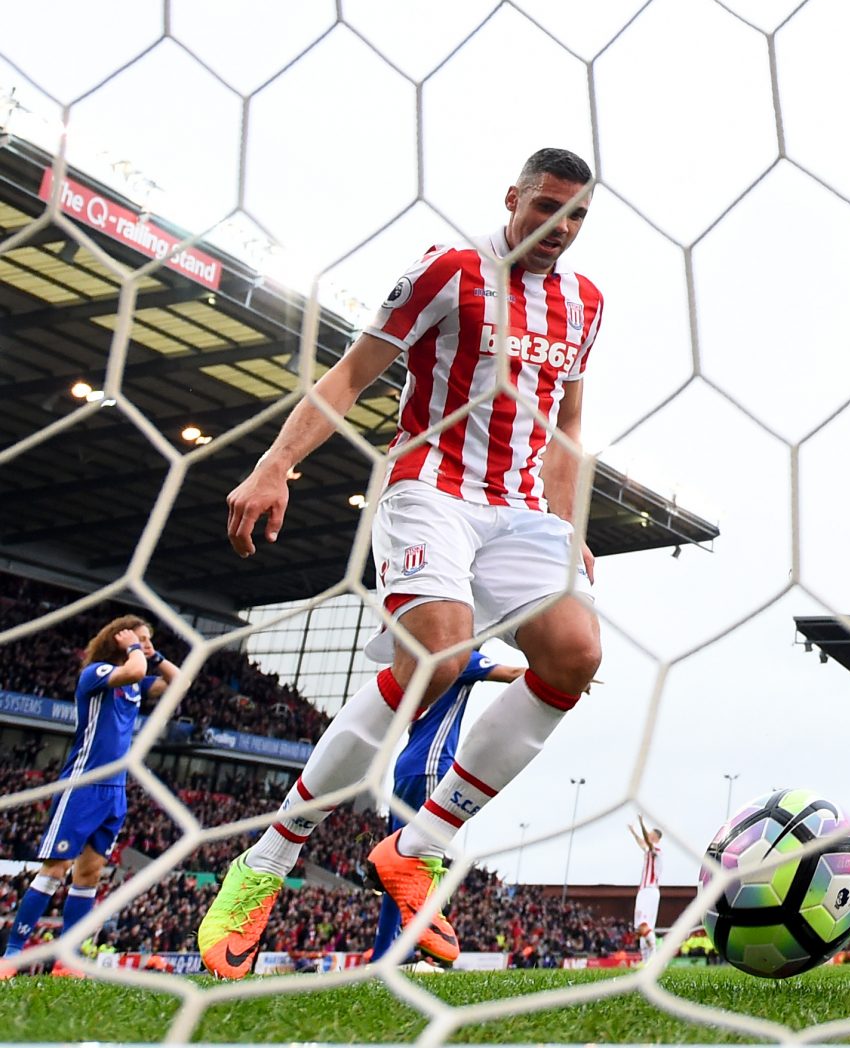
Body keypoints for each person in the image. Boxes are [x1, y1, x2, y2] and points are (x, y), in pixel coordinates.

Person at [197, 149, 608, 979]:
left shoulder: (587, 303)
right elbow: (350, 375)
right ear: (513, 199)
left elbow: (567, 427)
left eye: (575, 217)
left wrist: (569, 529)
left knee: (576, 654)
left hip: (524, 511)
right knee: (441, 653)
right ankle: (265, 863)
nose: (559, 229)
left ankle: (417, 847)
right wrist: (275, 465)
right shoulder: (449, 271)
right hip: (434, 487)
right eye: (546, 209)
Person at [3, 617, 171, 975]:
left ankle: (68, 959)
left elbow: (178, 682)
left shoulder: (137, 678)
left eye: (147, 641)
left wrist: (154, 655)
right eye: (139, 639)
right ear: (120, 640)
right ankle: (12, 955)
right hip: (83, 786)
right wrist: (135, 649)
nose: (144, 645)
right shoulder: (96, 673)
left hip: (115, 791)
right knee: (54, 869)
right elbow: (133, 667)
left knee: (90, 874)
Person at [371, 651, 523, 964]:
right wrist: (563, 677)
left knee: (398, 865)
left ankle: (385, 952)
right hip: (431, 765)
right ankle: (424, 944)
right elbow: (510, 673)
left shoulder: (423, 662)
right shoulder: (459, 657)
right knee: (423, 861)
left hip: (406, 767)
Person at [630, 819, 664, 956]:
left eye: (650, 834)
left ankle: (653, 956)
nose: (647, 835)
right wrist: (633, 832)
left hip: (649, 891)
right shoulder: (648, 851)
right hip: (644, 891)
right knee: (640, 928)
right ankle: (646, 960)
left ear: (655, 838)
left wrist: (641, 824)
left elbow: (647, 842)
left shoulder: (657, 850)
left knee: (644, 925)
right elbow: (642, 843)